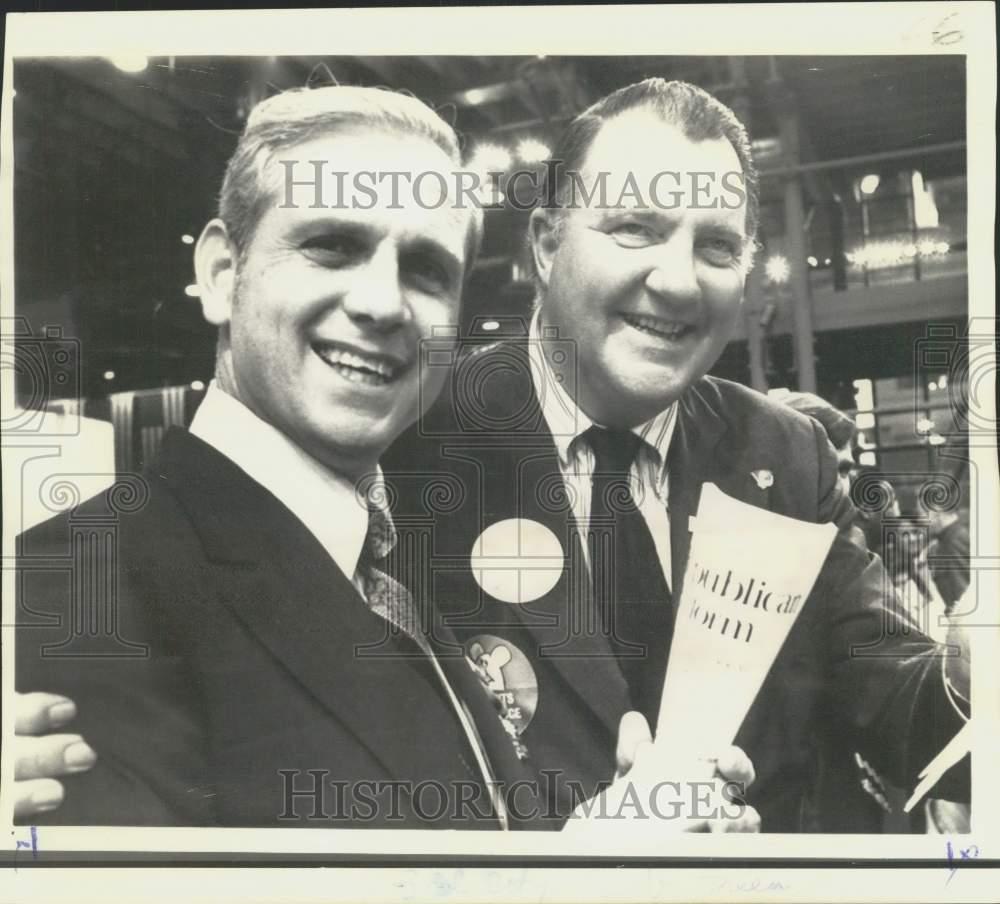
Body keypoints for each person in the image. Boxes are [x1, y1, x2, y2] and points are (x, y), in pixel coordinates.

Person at [12, 84, 756, 831]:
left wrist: (616, 828)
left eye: (427, 270)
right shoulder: (76, 588)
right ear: (220, 272)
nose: (381, 303)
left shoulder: (391, 574)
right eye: (332, 247)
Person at [378, 78, 970, 831]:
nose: (679, 280)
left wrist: (966, 676)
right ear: (546, 243)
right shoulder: (412, 445)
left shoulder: (785, 458)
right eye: (635, 228)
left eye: (717, 245)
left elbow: (901, 710)